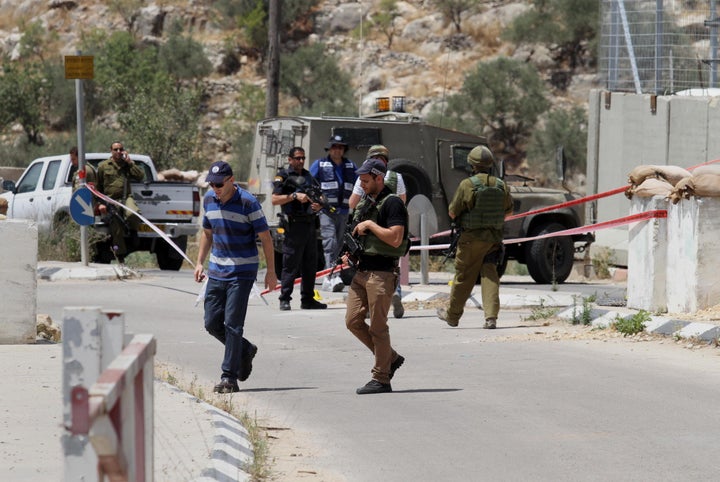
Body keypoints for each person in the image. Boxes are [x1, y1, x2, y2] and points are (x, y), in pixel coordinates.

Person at [194, 161, 277, 394]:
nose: (215, 187)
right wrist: (200, 262)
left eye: (219, 183)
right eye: (212, 183)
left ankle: (228, 377)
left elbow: (266, 238)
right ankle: (245, 350)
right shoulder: (209, 199)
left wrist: (271, 272)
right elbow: (207, 234)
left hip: (242, 272)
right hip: (216, 271)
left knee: (232, 324)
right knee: (211, 323)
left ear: (231, 180)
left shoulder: (248, 202)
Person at [343, 158, 408, 394]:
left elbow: (395, 238)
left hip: (381, 273)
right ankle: (390, 357)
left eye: (366, 180)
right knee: (352, 321)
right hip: (361, 271)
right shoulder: (368, 202)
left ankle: (382, 378)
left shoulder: (392, 204)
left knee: (378, 328)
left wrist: (370, 224)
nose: (362, 184)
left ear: (379, 178)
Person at [437, 146, 513, 329]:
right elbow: (509, 212)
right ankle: (491, 317)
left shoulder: (467, 185)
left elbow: (453, 212)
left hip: (471, 239)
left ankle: (453, 316)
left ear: (471, 164)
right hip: (493, 239)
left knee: (464, 277)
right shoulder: (501, 185)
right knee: (490, 276)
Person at [349, 145, 406, 318]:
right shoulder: (397, 177)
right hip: (392, 225)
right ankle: (395, 293)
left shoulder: (365, 178)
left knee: (369, 265)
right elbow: (402, 202)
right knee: (390, 263)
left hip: (369, 230)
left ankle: (369, 303)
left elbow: (352, 203)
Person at [271, 147, 326, 311]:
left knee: (310, 263)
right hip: (294, 224)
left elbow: (320, 194)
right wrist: (294, 196)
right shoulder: (284, 176)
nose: (301, 161)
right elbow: (274, 199)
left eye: (303, 158)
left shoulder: (308, 176)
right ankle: (285, 298)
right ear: (290, 159)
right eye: (297, 158)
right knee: (290, 263)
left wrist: (319, 203)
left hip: (310, 223)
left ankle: (308, 299)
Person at [309, 134, 358, 292]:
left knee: (338, 245)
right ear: (329, 149)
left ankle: (329, 275)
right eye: (334, 147)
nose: (337, 150)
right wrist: (316, 202)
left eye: (340, 147)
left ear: (344, 150)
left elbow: (360, 184)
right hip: (326, 211)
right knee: (329, 243)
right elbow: (309, 184)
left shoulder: (351, 166)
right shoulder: (320, 164)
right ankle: (331, 277)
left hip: (344, 211)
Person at [96, 142, 145, 262]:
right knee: (116, 229)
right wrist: (100, 203)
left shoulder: (127, 165)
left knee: (133, 213)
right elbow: (98, 188)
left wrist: (130, 162)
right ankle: (120, 257)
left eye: (120, 149)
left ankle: (133, 231)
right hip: (111, 201)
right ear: (111, 151)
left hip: (126, 197)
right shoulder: (103, 166)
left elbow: (140, 176)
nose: (118, 152)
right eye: (115, 149)